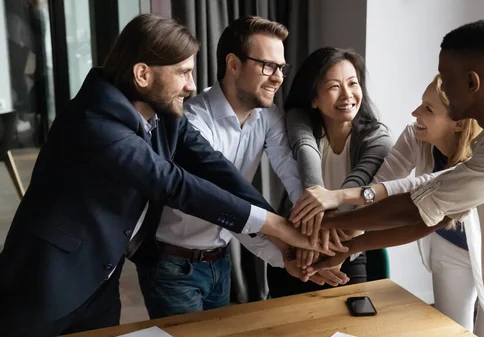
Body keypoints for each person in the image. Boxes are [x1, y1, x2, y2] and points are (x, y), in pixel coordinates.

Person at [0, 14, 324, 337]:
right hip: (43, 280)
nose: (192, 85)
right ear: (142, 74)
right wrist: (274, 225)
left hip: (101, 276)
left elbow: (214, 167)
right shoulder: (95, 120)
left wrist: (273, 227)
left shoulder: (164, 113)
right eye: (183, 72)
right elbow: (173, 184)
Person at [300, 19, 484, 337]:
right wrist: (349, 245)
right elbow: (430, 214)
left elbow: (417, 206)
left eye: (446, 78)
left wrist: (327, 224)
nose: (441, 87)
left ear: (472, 82)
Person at [135, 16, 347, 319]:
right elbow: (224, 201)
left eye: (281, 68)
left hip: (220, 260)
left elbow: (289, 170)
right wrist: (285, 244)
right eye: (268, 66)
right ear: (233, 64)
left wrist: (312, 225)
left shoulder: (269, 116)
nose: (278, 77)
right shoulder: (193, 121)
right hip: (173, 265)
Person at [291, 74, 484, 336]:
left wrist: (338, 197)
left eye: (428, 109)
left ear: (458, 123)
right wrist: (343, 249)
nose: (415, 113)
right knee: (452, 330)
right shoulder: (415, 135)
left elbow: (417, 189)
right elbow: (385, 186)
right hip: (448, 245)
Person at [267, 47, 393, 297]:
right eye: (334, 86)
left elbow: (354, 189)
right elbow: (308, 164)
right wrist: (309, 240)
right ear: (313, 97)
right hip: (298, 246)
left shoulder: (377, 138)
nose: (347, 95)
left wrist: (322, 242)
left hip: (347, 248)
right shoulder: (299, 122)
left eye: (353, 83)